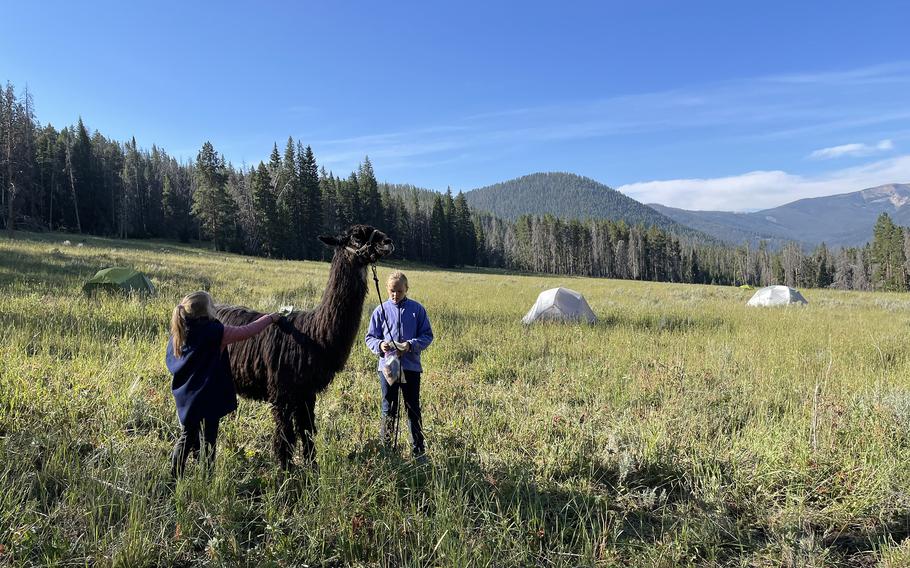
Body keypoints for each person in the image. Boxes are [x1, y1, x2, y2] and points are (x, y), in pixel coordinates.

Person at [165, 291, 280, 477]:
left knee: (186, 437)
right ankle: (206, 478)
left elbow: (171, 362)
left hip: (187, 397)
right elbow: (248, 331)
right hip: (209, 397)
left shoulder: (179, 331)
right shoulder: (217, 332)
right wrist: (270, 318)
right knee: (208, 440)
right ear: (208, 311)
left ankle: (174, 476)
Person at [365, 271, 434, 460]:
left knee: (413, 408)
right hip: (388, 368)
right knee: (389, 407)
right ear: (387, 290)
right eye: (392, 291)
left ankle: (418, 452)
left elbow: (427, 336)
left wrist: (410, 345)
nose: (395, 295)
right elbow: (370, 337)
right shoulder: (380, 310)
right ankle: (386, 450)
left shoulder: (417, 310)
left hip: (411, 367)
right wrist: (380, 345)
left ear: (407, 290)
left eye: (400, 291)